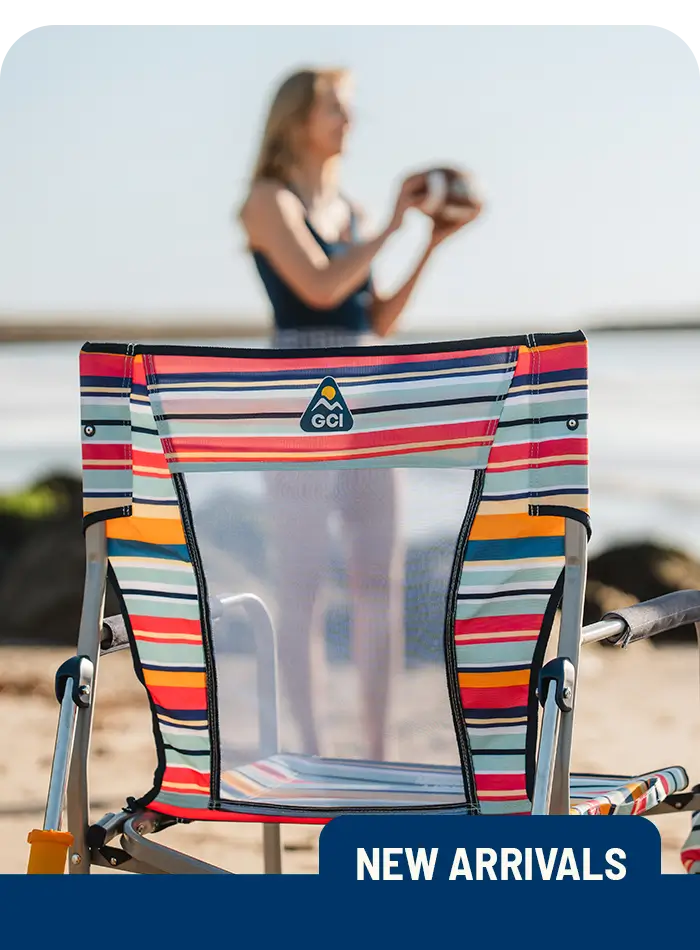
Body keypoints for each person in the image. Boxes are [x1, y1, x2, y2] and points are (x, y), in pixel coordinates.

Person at [237, 66, 482, 761]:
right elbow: (317, 288)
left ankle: (375, 753)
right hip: (296, 406)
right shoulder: (268, 201)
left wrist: (427, 241)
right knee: (303, 585)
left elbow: (374, 318)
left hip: (370, 401)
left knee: (379, 584)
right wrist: (396, 225)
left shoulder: (354, 213)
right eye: (336, 111)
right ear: (296, 121)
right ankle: (309, 750)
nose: (350, 123)